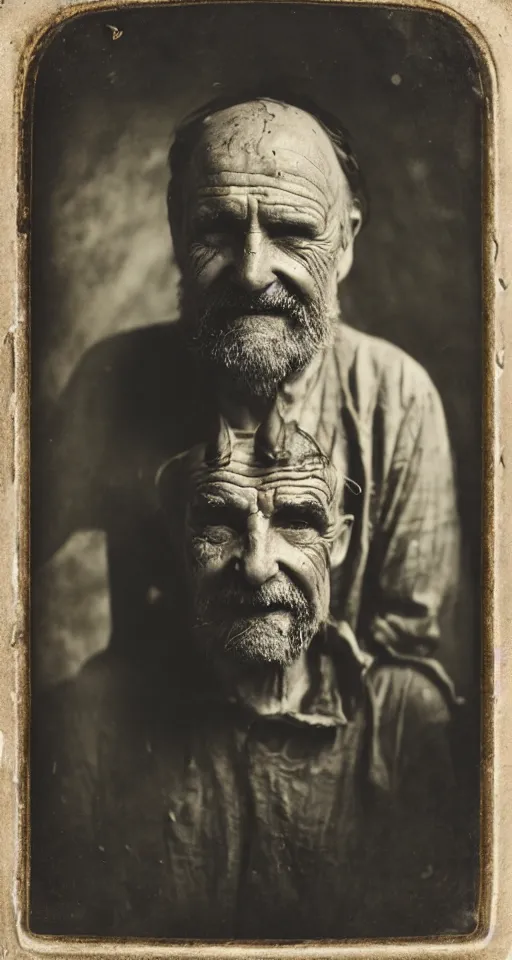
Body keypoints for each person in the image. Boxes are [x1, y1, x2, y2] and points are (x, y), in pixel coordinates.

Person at [32, 90, 460, 673]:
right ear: (177, 230)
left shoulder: (398, 400)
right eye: (218, 229)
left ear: (346, 243)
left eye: (291, 232)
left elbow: (404, 662)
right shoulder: (115, 378)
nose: (254, 271)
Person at [31, 413, 470, 939]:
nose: (258, 564)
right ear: (176, 538)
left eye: (296, 521)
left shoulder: (406, 721)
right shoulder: (84, 725)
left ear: (342, 543)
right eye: (218, 522)